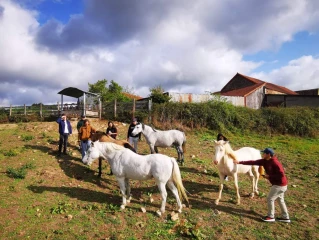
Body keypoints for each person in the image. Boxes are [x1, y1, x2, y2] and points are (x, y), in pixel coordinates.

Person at [233, 148, 290, 223]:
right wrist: (239, 162)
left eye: (264, 153)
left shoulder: (275, 163)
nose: (262, 155)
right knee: (280, 200)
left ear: (268, 155)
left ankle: (270, 216)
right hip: (278, 185)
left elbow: (281, 175)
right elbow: (252, 162)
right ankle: (285, 217)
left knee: (270, 198)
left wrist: (269, 177)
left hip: (280, 185)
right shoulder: (264, 161)